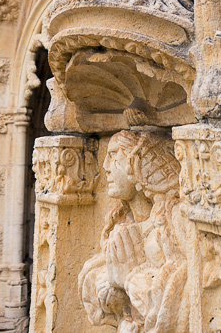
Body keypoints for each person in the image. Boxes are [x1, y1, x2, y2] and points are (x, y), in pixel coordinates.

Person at [78, 130, 189, 333]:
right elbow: (93, 280)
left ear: (137, 162)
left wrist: (129, 278)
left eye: (113, 155)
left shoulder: (172, 218)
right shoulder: (121, 223)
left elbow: (183, 292)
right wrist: (111, 283)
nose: (106, 167)